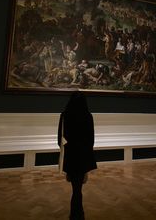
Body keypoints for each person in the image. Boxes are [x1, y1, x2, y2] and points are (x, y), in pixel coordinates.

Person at [58, 91, 97, 220]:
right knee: (77, 188)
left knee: (76, 187)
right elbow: (91, 139)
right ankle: (78, 214)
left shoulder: (64, 115)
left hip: (70, 156)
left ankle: (76, 213)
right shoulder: (88, 116)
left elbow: (60, 139)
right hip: (82, 156)